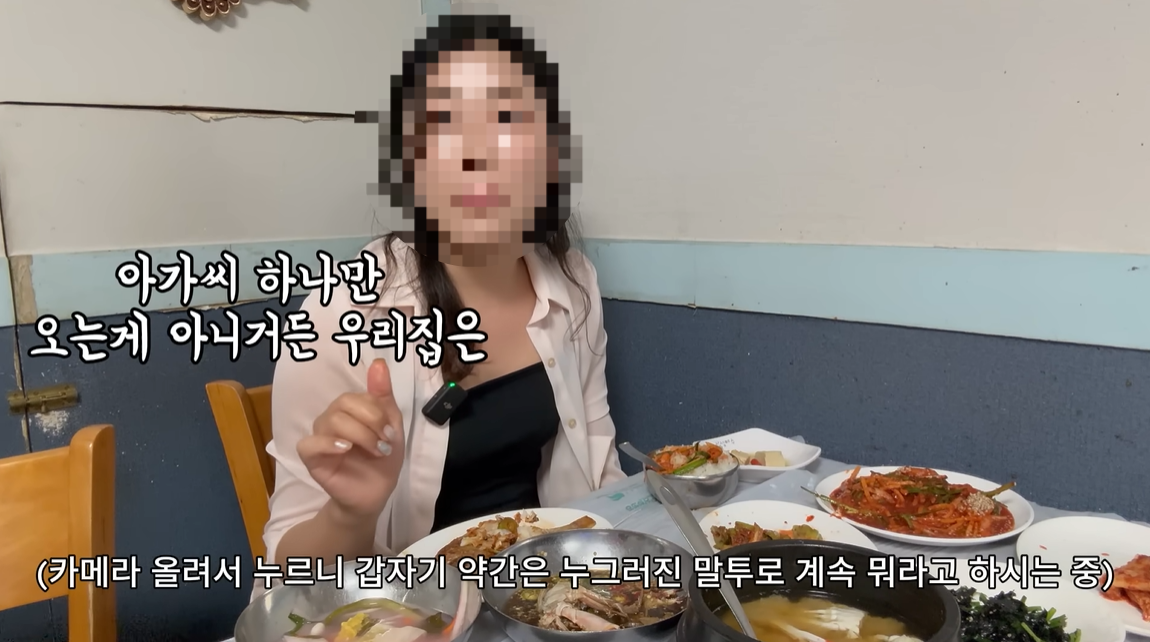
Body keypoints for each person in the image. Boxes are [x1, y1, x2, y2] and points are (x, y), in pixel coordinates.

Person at [262, 14, 626, 571]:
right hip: (406, 604)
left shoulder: (573, 283)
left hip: (543, 588)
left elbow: (601, 474)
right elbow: (288, 571)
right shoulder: (345, 308)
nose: (475, 152)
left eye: (506, 117)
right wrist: (350, 515)